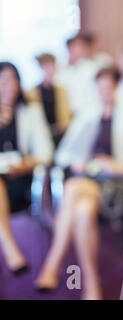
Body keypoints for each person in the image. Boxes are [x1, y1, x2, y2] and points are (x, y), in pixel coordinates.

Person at [35, 67, 123, 299]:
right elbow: (63, 155)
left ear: (116, 88)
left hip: (117, 184)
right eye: (100, 88)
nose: (104, 92)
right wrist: (77, 162)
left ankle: (53, 263)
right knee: (82, 208)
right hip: (87, 180)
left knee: (73, 189)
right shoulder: (87, 116)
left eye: (109, 87)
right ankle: (92, 287)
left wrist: (121, 164)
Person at [0, 62, 53, 273]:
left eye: (14, 79)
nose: (10, 85)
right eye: (4, 80)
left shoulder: (30, 110)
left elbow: (46, 152)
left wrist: (22, 165)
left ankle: (9, 248)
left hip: (22, 181)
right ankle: (10, 248)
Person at [26, 53, 72, 145]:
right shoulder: (31, 93)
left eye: (52, 67)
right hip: (41, 135)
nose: (50, 71)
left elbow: (67, 117)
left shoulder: (62, 91)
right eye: (47, 67)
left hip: (60, 134)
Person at [56, 34, 107, 116]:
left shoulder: (91, 68)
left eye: (79, 47)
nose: (77, 50)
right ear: (68, 49)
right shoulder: (62, 71)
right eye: (73, 47)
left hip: (89, 112)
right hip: (69, 113)